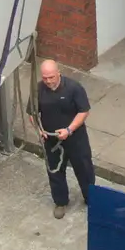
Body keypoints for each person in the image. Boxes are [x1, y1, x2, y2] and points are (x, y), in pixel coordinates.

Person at [37, 59, 95, 218]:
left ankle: (92, 199)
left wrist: (69, 130)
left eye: (51, 77)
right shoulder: (38, 89)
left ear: (58, 74)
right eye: (45, 78)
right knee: (54, 171)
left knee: (84, 169)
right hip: (52, 141)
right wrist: (39, 129)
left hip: (76, 139)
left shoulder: (74, 88)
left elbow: (84, 111)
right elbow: (33, 114)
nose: (48, 81)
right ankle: (60, 202)